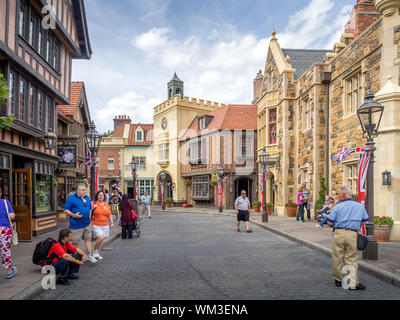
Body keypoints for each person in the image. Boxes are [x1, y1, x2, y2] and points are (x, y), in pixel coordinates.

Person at [327, 186, 369, 290]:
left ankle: (338, 279)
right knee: (351, 258)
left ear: (345, 195)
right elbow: (365, 221)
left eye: (339, 194)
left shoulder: (337, 207)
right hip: (352, 234)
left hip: (339, 233)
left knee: (337, 256)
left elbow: (329, 222)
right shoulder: (359, 206)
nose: (337, 196)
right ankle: (351, 283)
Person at [63, 183, 97, 263]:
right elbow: (65, 210)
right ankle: (74, 257)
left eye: (85, 190)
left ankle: (90, 255)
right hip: (76, 225)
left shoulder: (87, 198)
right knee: (75, 242)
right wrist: (74, 215)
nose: (84, 191)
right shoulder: (71, 199)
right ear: (77, 190)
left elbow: (89, 208)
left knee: (88, 239)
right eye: (83, 190)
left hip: (87, 223)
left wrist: (89, 217)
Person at [0, 188, 17, 279]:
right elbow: (12, 215)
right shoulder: (5, 202)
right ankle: (9, 271)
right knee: (5, 251)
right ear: (1, 193)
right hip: (4, 229)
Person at [91, 191, 114, 261]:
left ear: (104, 196)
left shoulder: (106, 204)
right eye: (99, 195)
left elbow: (109, 214)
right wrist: (92, 208)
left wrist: (112, 223)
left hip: (105, 225)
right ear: (97, 196)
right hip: (96, 224)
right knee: (100, 238)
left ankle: (97, 253)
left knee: (102, 240)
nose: (101, 197)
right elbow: (88, 212)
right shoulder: (93, 203)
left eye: (102, 195)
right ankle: (94, 251)